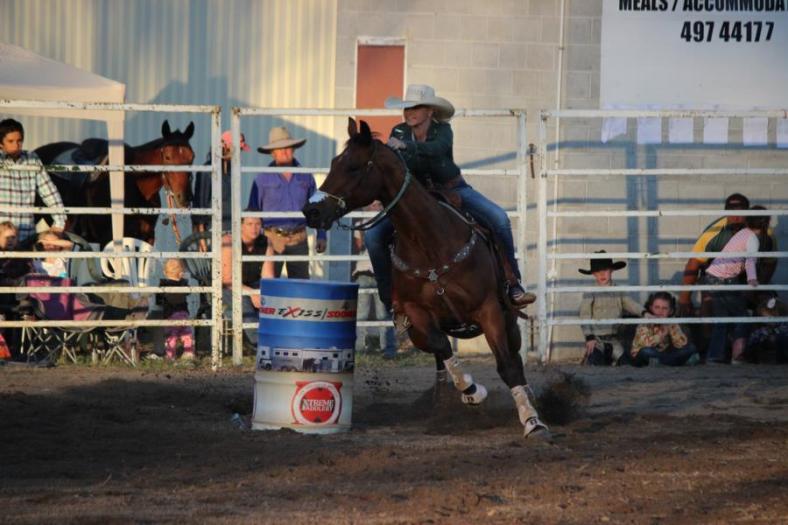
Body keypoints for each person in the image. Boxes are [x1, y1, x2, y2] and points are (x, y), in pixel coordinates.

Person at [365, 84, 533, 316]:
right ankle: (390, 298)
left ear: (430, 111)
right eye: (407, 108)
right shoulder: (399, 131)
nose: (409, 112)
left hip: (453, 189)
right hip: (415, 198)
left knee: (499, 218)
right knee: (373, 236)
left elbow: (437, 149)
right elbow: (395, 167)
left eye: (416, 107)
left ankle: (512, 284)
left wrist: (407, 147)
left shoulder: (443, 131)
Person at [247, 126, 326, 279]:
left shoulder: (306, 176)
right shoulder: (262, 178)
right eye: (279, 148)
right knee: (269, 284)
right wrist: (253, 241)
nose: (284, 151)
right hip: (271, 239)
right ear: (272, 153)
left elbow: (316, 207)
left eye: (288, 148)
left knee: (300, 287)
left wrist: (321, 235)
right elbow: (253, 210)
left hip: (299, 238)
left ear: (294, 149)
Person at [704, 207, 770, 364]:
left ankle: (714, 356)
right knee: (743, 317)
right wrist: (752, 280)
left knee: (722, 319)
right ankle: (737, 355)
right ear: (766, 223)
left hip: (714, 276)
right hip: (723, 279)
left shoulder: (743, 233)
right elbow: (750, 260)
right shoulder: (752, 238)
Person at [678, 193, 749, 317]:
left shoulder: (761, 231)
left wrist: (759, 284)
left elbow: (770, 262)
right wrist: (685, 299)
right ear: (726, 212)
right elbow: (693, 263)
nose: (736, 216)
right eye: (732, 211)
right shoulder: (713, 233)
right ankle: (707, 335)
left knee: (766, 301)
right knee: (709, 300)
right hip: (715, 277)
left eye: (741, 211)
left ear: (748, 212)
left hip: (745, 277)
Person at [0, 118, 67, 245]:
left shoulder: (31, 159)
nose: (16, 145)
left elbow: (48, 191)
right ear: (1, 143)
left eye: (19, 141)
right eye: (10, 141)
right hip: (2, 237)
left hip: (25, 235)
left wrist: (59, 221)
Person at [578, 251, 642, 366]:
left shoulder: (618, 291)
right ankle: (594, 357)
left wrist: (644, 312)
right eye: (598, 271)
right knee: (596, 362)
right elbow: (585, 314)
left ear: (612, 270)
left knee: (626, 363)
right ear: (593, 274)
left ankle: (613, 358)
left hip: (613, 339)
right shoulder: (590, 291)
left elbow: (631, 304)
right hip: (596, 339)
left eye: (605, 270)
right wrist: (589, 337)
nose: (602, 274)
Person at [221, 214, 275, 350]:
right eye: (249, 224)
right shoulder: (228, 241)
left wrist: (261, 293)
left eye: (257, 224)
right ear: (240, 226)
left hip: (253, 284)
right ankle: (259, 345)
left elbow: (268, 277)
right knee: (244, 302)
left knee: (272, 297)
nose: (254, 228)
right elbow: (227, 280)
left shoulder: (266, 242)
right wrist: (251, 293)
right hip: (227, 287)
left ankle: (277, 340)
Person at [352, 203, 397, 359]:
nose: (374, 207)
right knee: (375, 313)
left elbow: (360, 245)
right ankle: (384, 349)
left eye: (377, 204)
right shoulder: (368, 224)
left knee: (379, 313)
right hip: (370, 271)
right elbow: (361, 245)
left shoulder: (380, 224)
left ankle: (383, 349)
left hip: (371, 271)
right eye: (372, 204)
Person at [192, 130, 250, 234]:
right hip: (212, 229)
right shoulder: (207, 170)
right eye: (238, 148)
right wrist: (201, 237)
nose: (239, 152)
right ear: (225, 147)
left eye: (240, 149)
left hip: (233, 228)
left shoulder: (233, 170)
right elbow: (200, 204)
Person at [630, 292, 698, 366]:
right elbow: (645, 344)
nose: (660, 311)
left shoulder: (671, 322)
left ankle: (662, 362)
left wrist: (670, 329)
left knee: (691, 348)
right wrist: (662, 335)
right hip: (646, 354)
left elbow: (681, 344)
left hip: (662, 355)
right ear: (651, 308)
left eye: (664, 308)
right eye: (657, 307)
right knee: (646, 351)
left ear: (670, 311)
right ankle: (672, 362)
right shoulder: (645, 323)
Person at [156, 259, 194, 361]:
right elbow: (188, 292)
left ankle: (170, 355)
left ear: (165, 272)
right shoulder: (183, 283)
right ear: (181, 273)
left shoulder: (163, 284)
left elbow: (158, 300)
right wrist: (183, 280)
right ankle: (188, 352)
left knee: (171, 336)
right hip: (183, 314)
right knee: (186, 334)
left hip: (170, 315)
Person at [746, 294, 788, 364]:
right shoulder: (761, 309)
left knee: (781, 336)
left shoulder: (783, 314)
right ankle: (752, 358)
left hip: (780, 331)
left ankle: (781, 359)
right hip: (770, 330)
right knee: (755, 336)